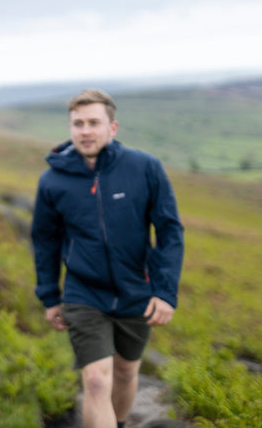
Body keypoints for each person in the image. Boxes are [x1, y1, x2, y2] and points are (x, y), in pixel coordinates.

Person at [30, 89, 184, 428]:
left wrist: (165, 291)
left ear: (112, 128)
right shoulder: (53, 180)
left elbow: (170, 231)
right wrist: (50, 296)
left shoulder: (145, 168)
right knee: (97, 380)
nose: (85, 130)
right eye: (78, 123)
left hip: (136, 291)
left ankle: (120, 423)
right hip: (84, 292)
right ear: (70, 127)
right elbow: (45, 241)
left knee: (127, 371)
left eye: (94, 123)